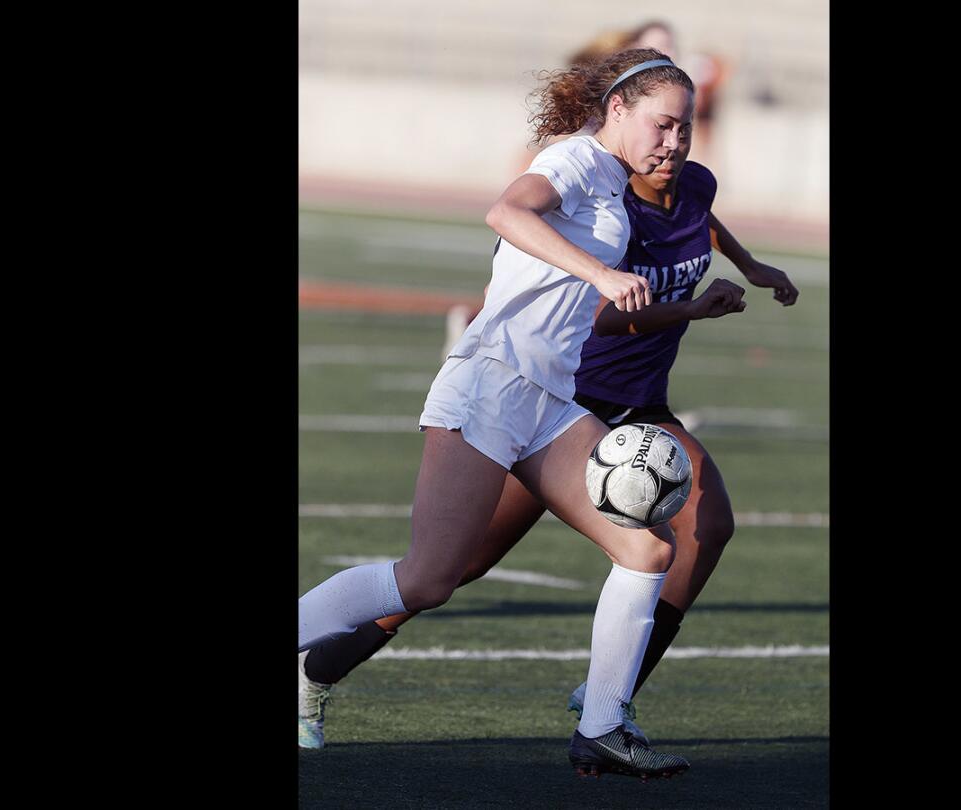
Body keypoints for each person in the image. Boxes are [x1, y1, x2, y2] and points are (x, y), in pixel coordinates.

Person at [301, 60, 799, 753]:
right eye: (663, 123)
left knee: (646, 548)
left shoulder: (628, 177)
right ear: (618, 108)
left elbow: (696, 218)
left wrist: (747, 268)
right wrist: (600, 273)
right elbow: (505, 211)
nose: (676, 140)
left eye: (685, 126)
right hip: (491, 385)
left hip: (550, 398)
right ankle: (311, 660)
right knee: (432, 576)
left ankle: (600, 725)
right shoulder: (572, 161)